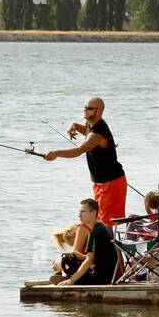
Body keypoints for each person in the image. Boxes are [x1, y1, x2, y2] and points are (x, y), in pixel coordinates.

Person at [43, 96, 128, 225]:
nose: (85, 111)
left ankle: (108, 244)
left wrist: (56, 153)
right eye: (84, 108)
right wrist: (74, 126)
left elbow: (79, 150)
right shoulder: (92, 124)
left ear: (98, 111)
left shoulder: (98, 133)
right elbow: (87, 130)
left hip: (111, 182)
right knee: (99, 218)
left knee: (106, 222)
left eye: (89, 108)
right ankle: (104, 243)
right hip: (99, 182)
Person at [55, 199, 118, 285]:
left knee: (66, 260)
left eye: (82, 212)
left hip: (100, 279)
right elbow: (100, 257)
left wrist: (71, 280)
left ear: (93, 213)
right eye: (79, 212)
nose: (79, 215)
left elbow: (89, 260)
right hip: (110, 275)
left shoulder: (95, 232)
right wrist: (83, 257)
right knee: (72, 259)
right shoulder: (105, 227)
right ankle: (68, 277)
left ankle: (69, 278)